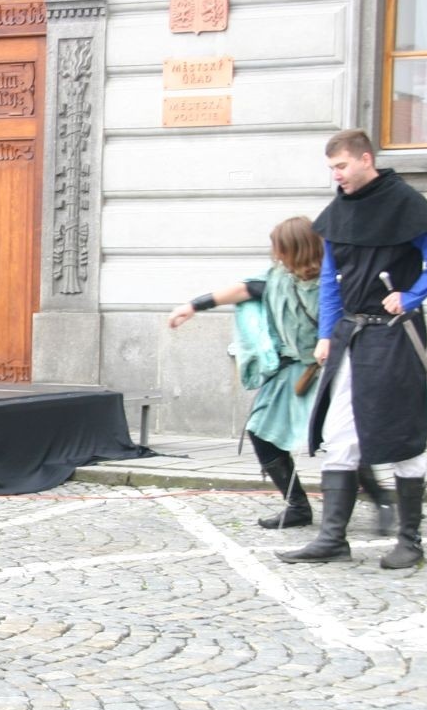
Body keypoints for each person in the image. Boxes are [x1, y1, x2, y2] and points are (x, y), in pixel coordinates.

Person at [279, 129, 427, 569]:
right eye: (332, 168)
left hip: (395, 333)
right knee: (340, 433)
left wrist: (412, 295)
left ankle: (409, 541)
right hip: (351, 334)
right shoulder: (339, 211)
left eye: (341, 166)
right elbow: (330, 279)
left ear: (365, 159)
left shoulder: (404, 201)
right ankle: (332, 539)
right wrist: (326, 334)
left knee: (400, 432)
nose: (336, 175)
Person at [168, 217, 395, 533]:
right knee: (261, 431)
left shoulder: (338, 283)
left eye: (281, 248)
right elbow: (242, 289)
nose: (276, 255)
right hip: (292, 372)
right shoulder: (277, 280)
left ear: (297, 249)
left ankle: (382, 499)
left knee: (342, 439)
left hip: (333, 371)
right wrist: (192, 306)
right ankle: (297, 506)